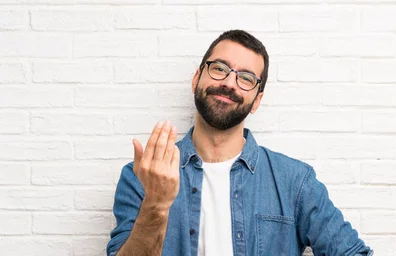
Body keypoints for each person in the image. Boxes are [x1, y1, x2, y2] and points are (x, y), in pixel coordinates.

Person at [106, 29, 373, 256]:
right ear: (196, 79)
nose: (229, 83)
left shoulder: (294, 181)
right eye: (219, 68)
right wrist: (156, 204)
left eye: (245, 78)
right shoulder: (142, 176)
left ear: (257, 100)